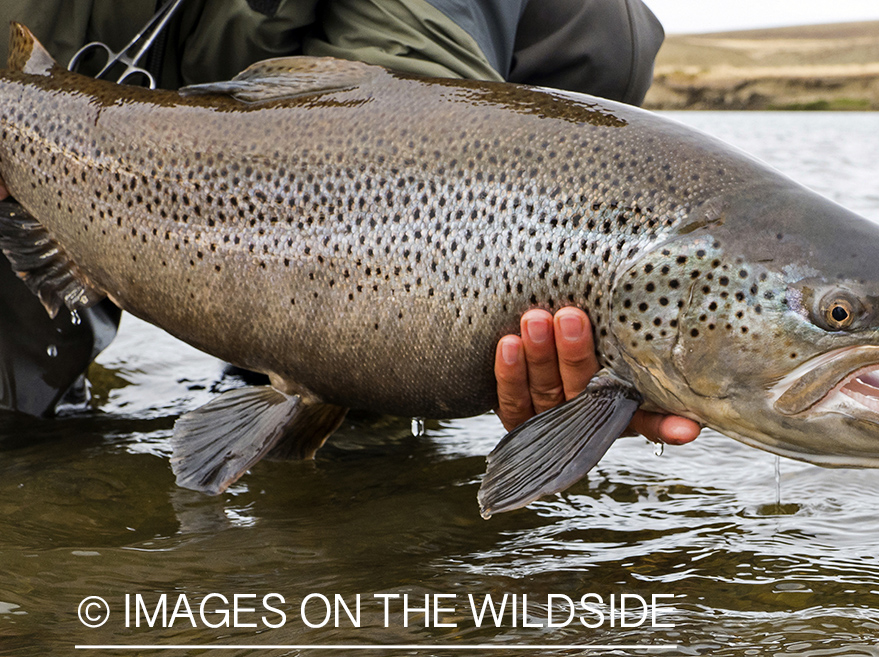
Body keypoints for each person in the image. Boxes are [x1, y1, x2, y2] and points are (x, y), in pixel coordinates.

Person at [0, 0, 700, 445]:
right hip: (73, 82)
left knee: (378, 398)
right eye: (819, 312)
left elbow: (406, 56)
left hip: (362, 69)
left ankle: (300, 389)